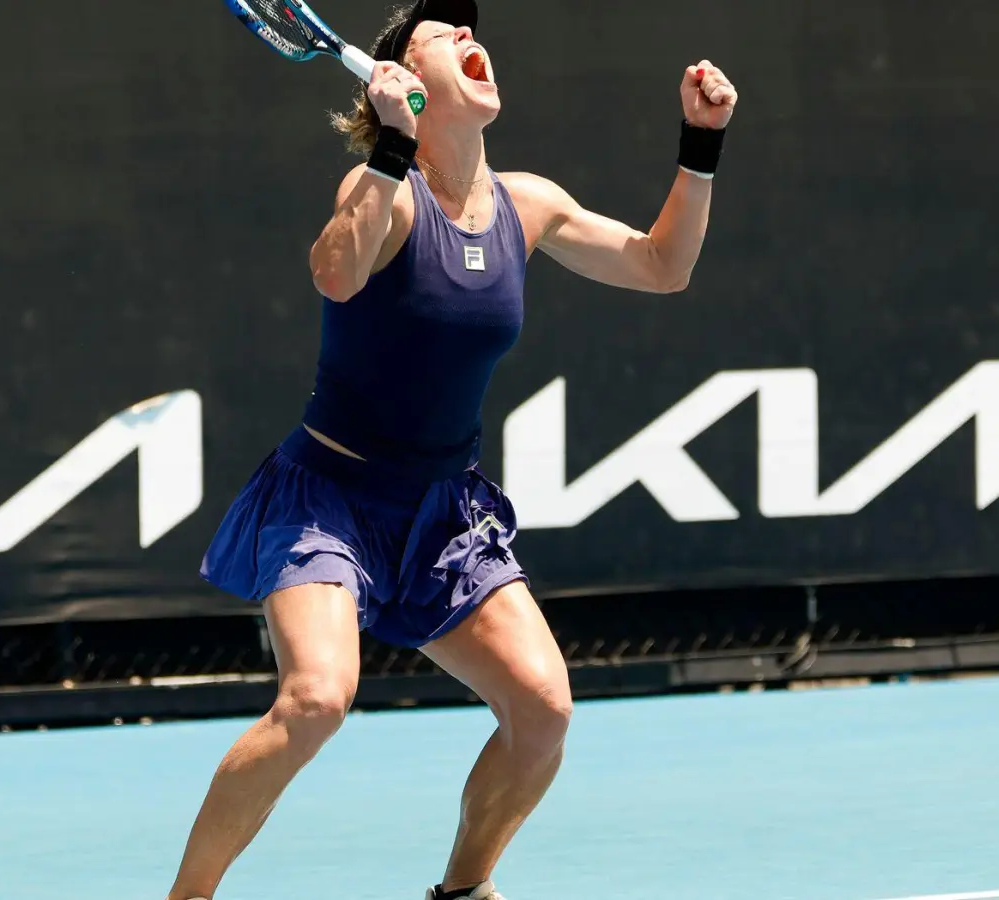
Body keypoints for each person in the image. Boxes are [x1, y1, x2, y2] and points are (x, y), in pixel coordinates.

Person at [169, 1, 737, 898]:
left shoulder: (529, 204)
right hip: (329, 498)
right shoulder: (381, 188)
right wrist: (391, 149)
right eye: (444, 36)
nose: (473, 39)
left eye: (474, 33)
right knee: (316, 699)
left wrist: (699, 142)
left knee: (543, 711)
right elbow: (334, 273)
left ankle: (463, 891)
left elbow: (664, 265)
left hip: (444, 513)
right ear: (403, 82)